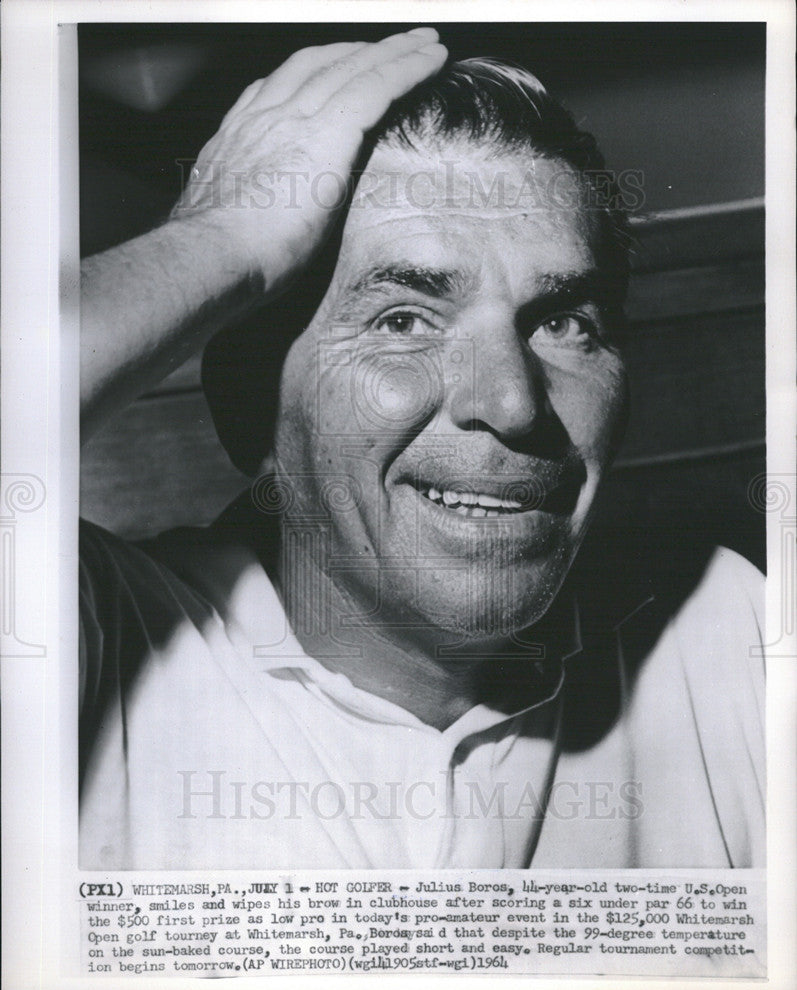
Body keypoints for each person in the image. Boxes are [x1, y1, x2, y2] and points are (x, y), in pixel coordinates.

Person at [79, 28, 765, 869]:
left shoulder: (730, 632)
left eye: (562, 324)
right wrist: (225, 234)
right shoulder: (95, 644)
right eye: (403, 321)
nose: (512, 402)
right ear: (246, 406)